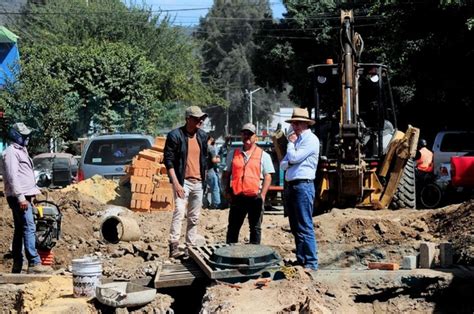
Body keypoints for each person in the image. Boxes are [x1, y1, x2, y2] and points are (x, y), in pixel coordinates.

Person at [2, 122, 52, 274]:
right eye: (24, 136)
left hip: (23, 196)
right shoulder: (11, 152)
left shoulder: (21, 151)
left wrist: (31, 195)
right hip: (19, 198)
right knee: (29, 227)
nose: (27, 138)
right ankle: (34, 263)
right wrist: (21, 198)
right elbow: (12, 177)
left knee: (20, 229)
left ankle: (18, 264)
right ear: (16, 136)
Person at [164, 106, 208, 258]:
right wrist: (176, 184)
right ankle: (174, 245)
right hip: (183, 182)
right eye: (196, 119)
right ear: (188, 119)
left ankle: (190, 248)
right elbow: (168, 161)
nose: (200, 121)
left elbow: (204, 161)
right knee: (179, 212)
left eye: (201, 118)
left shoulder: (202, 136)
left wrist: (205, 181)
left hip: (198, 182)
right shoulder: (175, 136)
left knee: (194, 217)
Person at [280, 108, 320, 272]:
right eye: (293, 123)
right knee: (296, 225)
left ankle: (310, 262)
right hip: (293, 185)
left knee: (304, 224)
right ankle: (302, 259)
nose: (294, 126)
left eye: (297, 123)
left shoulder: (310, 140)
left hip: (303, 185)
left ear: (305, 124)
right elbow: (284, 164)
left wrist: (290, 146)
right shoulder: (297, 142)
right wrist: (290, 161)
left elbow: (294, 158)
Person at [222, 123, 275, 244]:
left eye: (249, 134)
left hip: (255, 198)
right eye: (244, 134)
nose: (247, 136)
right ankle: (231, 256)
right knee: (233, 228)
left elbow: (268, 176)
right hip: (237, 197)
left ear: (255, 136)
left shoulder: (263, 155)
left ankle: (255, 255)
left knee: (255, 228)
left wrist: (262, 195)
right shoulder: (233, 154)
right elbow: (226, 174)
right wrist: (225, 191)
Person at [206, 135, 222, 209]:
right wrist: (218, 158)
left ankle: (205, 203)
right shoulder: (211, 148)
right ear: (211, 139)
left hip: (203, 171)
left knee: (203, 188)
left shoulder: (202, 147)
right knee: (215, 188)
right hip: (210, 170)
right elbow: (214, 160)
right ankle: (216, 204)